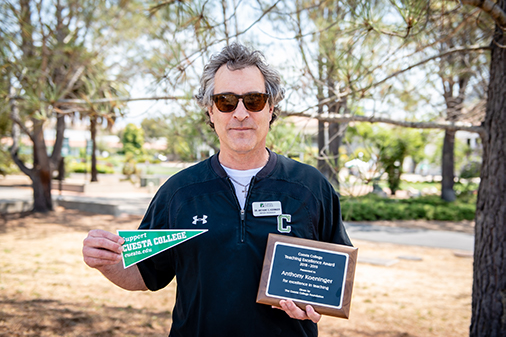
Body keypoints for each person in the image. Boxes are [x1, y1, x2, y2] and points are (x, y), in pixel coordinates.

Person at [82, 43, 352, 337]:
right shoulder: (179, 192)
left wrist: (312, 305)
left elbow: (335, 280)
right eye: (225, 101)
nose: (240, 113)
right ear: (210, 111)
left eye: (253, 100)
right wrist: (106, 263)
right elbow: (146, 275)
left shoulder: (310, 187)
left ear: (270, 108)